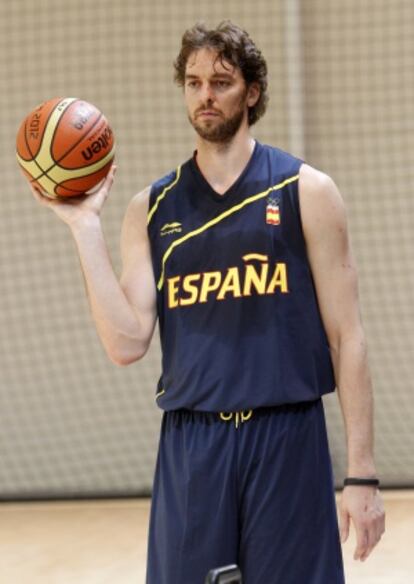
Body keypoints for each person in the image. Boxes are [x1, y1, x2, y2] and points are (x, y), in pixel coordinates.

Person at [30, 20, 385, 584]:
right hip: (193, 443)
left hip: (287, 437)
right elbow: (125, 342)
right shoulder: (151, 207)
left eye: (221, 81)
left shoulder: (306, 191)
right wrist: (83, 225)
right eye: (193, 82)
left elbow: (348, 337)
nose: (205, 95)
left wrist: (362, 475)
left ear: (252, 91)